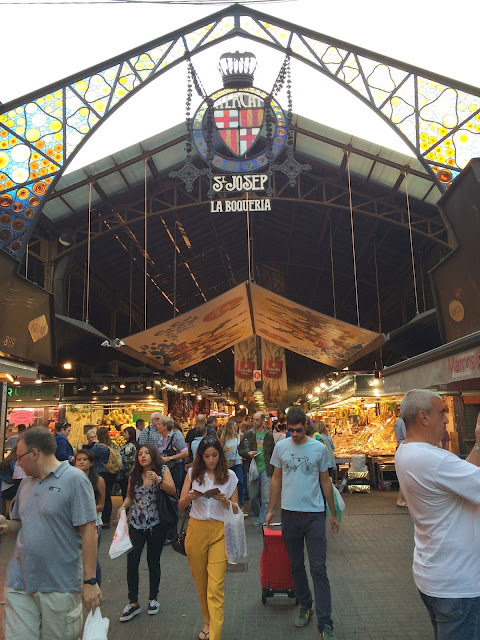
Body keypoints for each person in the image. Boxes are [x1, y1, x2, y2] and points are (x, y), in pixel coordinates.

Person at [0, 426, 102, 640]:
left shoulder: (75, 480)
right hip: (21, 582)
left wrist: (90, 582)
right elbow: (20, 525)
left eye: (19, 457)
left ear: (35, 453)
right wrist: (6, 525)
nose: (17, 463)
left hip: (60, 586)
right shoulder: (25, 483)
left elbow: (89, 531)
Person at [395, 390, 480, 640]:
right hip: (458, 584)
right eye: (442, 412)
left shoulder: (406, 451)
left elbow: (464, 475)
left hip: (435, 574)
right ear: (423, 417)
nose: (446, 420)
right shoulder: (433, 459)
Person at [265, 407, 340, 640]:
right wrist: (270, 511)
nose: (295, 435)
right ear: (286, 427)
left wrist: (333, 513)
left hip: (314, 515)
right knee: (296, 565)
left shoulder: (318, 448)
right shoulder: (281, 447)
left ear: (306, 426)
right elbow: (276, 479)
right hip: (289, 515)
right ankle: (306, 604)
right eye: (291, 430)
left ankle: (325, 623)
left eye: (299, 430)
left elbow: (326, 481)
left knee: (318, 569)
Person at [179, 436, 239, 640]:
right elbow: (180, 504)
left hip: (220, 532)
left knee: (216, 587)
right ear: (201, 457)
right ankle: (207, 621)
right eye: (207, 456)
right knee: (201, 583)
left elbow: (238, 509)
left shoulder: (230, 476)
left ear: (220, 456)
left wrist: (225, 501)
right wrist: (190, 497)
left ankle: (215, 634)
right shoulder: (192, 474)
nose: (211, 460)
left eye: (215, 455)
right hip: (196, 530)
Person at [117, 444, 176, 622]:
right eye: (140, 454)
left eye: (146, 453)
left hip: (157, 523)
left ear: (153, 455)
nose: (142, 456)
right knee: (132, 560)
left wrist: (158, 479)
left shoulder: (163, 470)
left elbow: (173, 491)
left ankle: (153, 599)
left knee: (153, 560)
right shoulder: (134, 474)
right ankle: (133, 602)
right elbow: (129, 496)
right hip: (136, 523)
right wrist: (123, 507)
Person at [75, 449, 106, 586]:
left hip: (94, 523)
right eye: (79, 459)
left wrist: (84, 509)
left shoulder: (98, 480)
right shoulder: (72, 479)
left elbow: (101, 505)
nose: (81, 462)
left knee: (92, 558)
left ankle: (95, 587)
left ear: (91, 462)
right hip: (75, 523)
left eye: (84, 459)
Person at [239, 411, 274, 525]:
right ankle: (259, 513)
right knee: (252, 496)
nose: (254, 422)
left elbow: (273, 451)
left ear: (263, 421)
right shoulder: (248, 434)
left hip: (266, 468)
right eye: (253, 419)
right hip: (252, 468)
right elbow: (240, 450)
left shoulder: (268, 435)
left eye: (257, 420)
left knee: (266, 498)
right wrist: (248, 454)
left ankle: (263, 519)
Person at [218, 418, 245, 514]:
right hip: (227, 463)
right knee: (227, 483)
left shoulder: (239, 437)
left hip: (237, 462)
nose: (237, 427)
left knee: (240, 482)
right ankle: (228, 503)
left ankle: (240, 504)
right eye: (235, 426)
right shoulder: (223, 438)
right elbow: (219, 450)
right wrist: (224, 452)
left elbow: (242, 448)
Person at [119, 426, 137, 500]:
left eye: (126, 433)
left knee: (126, 492)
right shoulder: (127, 444)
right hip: (127, 471)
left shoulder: (130, 446)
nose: (124, 434)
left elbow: (126, 458)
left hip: (126, 472)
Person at [393, 413, 407, 507]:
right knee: (405, 475)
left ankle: (402, 499)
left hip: (399, 447)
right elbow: (407, 436)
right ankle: (401, 499)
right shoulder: (404, 423)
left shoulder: (397, 422)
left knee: (404, 475)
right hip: (405, 447)